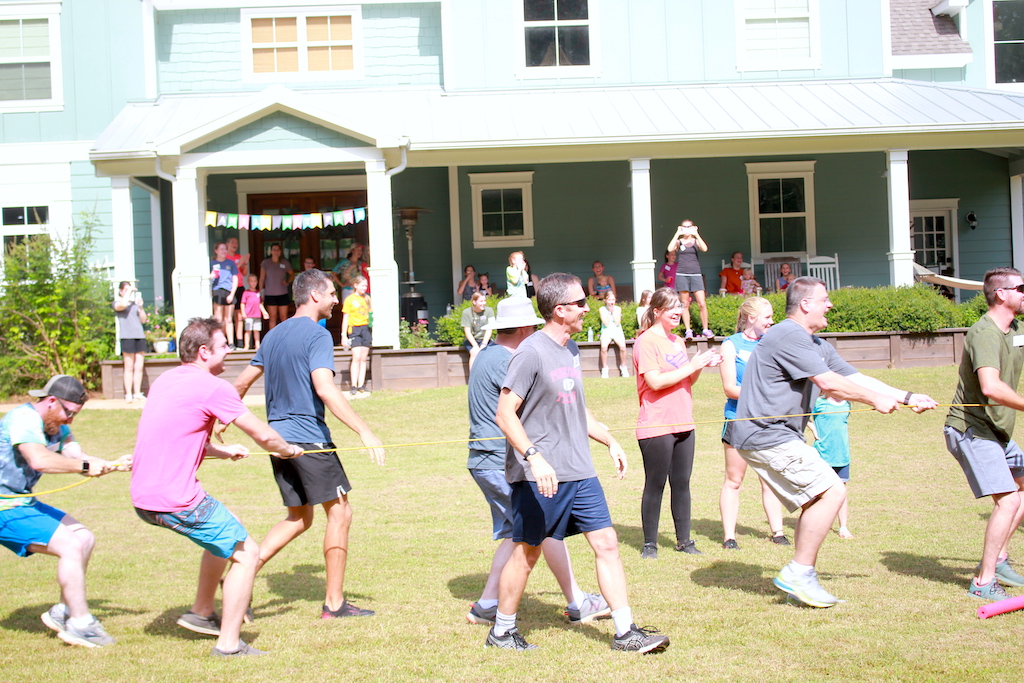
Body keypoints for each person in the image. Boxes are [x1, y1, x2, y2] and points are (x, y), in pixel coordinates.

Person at [724, 277, 936, 607]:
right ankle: (799, 572)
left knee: (816, 500)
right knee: (834, 490)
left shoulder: (814, 344)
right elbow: (829, 384)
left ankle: (800, 579)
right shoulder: (788, 334)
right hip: (766, 434)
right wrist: (873, 400)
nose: (831, 305)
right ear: (805, 304)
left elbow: (853, 377)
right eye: (825, 299)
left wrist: (908, 397)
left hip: (775, 435)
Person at [487, 272, 669, 653]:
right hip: (541, 476)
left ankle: (625, 631)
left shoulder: (571, 350)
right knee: (527, 552)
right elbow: (505, 414)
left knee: (607, 543)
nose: (589, 308)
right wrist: (534, 458)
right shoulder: (531, 352)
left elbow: (575, 407)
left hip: (580, 471)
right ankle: (502, 631)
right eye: (581, 302)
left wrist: (609, 440)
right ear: (560, 310)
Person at [131, 318, 304, 657]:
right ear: (204, 351)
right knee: (247, 552)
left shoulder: (165, 380)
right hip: (175, 498)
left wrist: (222, 452)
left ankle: (202, 611)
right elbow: (263, 435)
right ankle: (228, 644)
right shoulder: (213, 387)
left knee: (222, 537)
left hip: (143, 497)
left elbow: (178, 435)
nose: (230, 350)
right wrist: (288, 450)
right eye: (224, 345)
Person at [231, 268, 386, 619]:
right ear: (314, 295)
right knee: (340, 512)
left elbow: (238, 387)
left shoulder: (272, 336)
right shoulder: (317, 335)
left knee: (299, 517)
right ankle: (334, 604)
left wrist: (219, 421)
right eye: (332, 293)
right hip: (308, 438)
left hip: (278, 439)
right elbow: (325, 388)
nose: (336, 299)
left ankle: (238, 578)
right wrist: (364, 430)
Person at [465, 297, 609, 627]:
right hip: (503, 459)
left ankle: (487, 605)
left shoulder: (488, 355)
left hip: (485, 459)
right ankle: (577, 602)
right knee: (542, 533)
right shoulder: (513, 360)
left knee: (520, 534)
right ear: (528, 328)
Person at [0, 375, 123, 648]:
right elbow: (39, 459)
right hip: (4, 507)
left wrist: (113, 464)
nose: (70, 421)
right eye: (69, 413)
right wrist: (83, 467)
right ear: (51, 401)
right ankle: (81, 624)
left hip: (23, 502)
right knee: (70, 545)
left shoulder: (56, 425)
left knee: (84, 538)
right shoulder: (24, 419)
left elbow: (77, 457)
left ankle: (64, 612)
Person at [944, 267, 1024, 601]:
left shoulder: (1015, 328)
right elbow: (991, 388)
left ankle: (1000, 559)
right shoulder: (984, 333)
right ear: (1002, 294)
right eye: (1022, 287)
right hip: (971, 430)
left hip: (996, 430)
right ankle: (983, 583)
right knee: (1006, 500)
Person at [634, 288, 721, 559]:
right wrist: (691, 366)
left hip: (684, 421)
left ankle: (685, 541)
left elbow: (687, 381)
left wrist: (699, 367)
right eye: (671, 307)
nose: (677, 312)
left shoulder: (678, 342)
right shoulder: (646, 342)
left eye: (680, 307)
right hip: (657, 424)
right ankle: (650, 544)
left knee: (682, 483)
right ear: (656, 311)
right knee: (655, 483)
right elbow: (655, 382)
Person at [719, 297, 788, 550]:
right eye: (767, 317)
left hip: (768, 422)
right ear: (751, 318)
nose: (772, 321)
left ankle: (778, 532)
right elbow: (729, 388)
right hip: (738, 420)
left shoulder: (772, 343)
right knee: (734, 480)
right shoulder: (731, 345)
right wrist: (762, 394)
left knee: (769, 477)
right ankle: (729, 537)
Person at [809, 393, 853, 539]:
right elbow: (801, 416)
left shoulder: (847, 404)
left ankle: (843, 527)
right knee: (819, 491)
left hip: (842, 455)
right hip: (823, 454)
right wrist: (813, 428)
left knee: (842, 491)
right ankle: (815, 525)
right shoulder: (819, 403)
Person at [666, 220, 711, 340]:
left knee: (702, 303)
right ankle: (688, 330)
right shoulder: (679, 241)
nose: (686, 229)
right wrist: (677, 233)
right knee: (685, 303)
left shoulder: (696, 241)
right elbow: (670, 248)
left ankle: (705, 329)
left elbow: (705, 248)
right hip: (682, 274)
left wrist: (696, 234)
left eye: (689, 227)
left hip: (695, 273)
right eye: (684, 227)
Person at [113, 281, 149, 403]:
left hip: (139, 336)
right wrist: (129, 291)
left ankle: (137, 393)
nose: (129, 291)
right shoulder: (117, 304)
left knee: (138, 367)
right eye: (126, 289)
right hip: (127, 337)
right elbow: (123, 304)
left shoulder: (134, 305)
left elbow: (143, 320)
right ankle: (128, 394)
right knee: (128, 367)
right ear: (121, 291)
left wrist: (141, 307)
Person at [341, 275, 372, 397]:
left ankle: (361, 385)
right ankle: (353, 385)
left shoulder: (367, 298)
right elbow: (346, 317)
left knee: (363, 358)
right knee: (356, 357)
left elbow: (370, 314)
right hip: (354, 329)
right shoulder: (349, 299)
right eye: (362, 285)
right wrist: (344, 335)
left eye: (366, 286)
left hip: (365, 328)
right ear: (356, 285)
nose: (364, 288)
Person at [210, 242, 240, 349]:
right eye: (221, 249)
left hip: (228, 291)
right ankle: (219, 343)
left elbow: (235, 278)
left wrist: (232, 293)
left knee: (228, 319)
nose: (224, 251)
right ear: (216, 251)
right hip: (217, 291)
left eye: (225, 249)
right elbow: (208, 278)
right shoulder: (212, 263)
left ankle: (231, 343)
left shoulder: (231, 263)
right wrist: (211, 276)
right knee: (218, 319)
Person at [259, 243, 293, 330]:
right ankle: (272, 339)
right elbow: (262, 278)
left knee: (283, 317)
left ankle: (285, 338)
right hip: (270, 293)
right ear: (270, 251)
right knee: (273, 317)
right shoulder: (265, 263)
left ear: (280, 251)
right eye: (274, 250)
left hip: (283, 293)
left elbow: (291, 274)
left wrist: (287, 281)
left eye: (278, 250)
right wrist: (260, 292)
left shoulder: (285, 263)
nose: (276, 252)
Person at [461, 291, 495, 371]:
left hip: (486, 340)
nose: (484, 303)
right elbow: (467, 331)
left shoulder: (489, 311)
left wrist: (484, 344)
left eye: (484, 301)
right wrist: (475, 346)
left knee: (489, 354)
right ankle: (473, 379)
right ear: (474, 302)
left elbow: (489, 329)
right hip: (472, 340)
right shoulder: (466, 312)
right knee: (474, 352)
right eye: (481, 301)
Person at [599, 291, 629, 379]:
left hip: (617, 331)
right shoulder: (602, 309)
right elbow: (605, 323)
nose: (611, 302)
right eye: (609, 300)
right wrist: (609, 312)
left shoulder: (618, 309)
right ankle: (605, 369)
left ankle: (623, 367)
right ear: (605, 300)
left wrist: (613, 312)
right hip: (606, 331)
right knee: (604, 348)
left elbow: (617, 322)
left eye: (613, 299)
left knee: (623, 347)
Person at [225, 237, 250, 345]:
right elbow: (230, 272)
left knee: (239, 316)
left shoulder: (239, 257)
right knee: (229, 316)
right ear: (227, 244)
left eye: (236, 242)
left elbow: (244, 273)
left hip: (240, 287)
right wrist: (239, 264)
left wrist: (245, 263)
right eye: (232, 242)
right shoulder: (225, 258)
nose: (235, 244)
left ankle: (240, 341)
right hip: (229, 288)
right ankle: (230, 341)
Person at [240, 274, 269, 351]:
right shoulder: (246, 292)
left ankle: (257, 345)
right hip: (249, 315)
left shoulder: (258, 292)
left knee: (257, 330)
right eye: (251, 281)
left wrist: (264, 312)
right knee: (248, 330)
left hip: (257, 315)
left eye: (255, 281)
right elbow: (242, 303)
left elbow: (260, 304)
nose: (253, 283)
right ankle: (246, 345)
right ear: (248, 282)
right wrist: (243, 313)